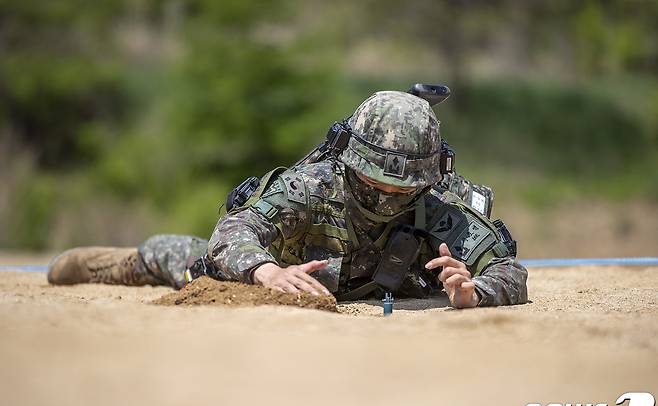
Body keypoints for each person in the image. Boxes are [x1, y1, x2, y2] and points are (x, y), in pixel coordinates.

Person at [48, 91, 527, 308]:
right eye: (376, 182)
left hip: (378, 290)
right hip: (276, 273)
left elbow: (510, 270)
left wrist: (474, 291)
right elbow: (234, 231)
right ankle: (133, 260)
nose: (388, 195)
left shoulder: (443, 206)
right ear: (352, 164)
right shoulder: (312, 185)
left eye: (403, 189)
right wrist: (267, 271)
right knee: (196, 268)